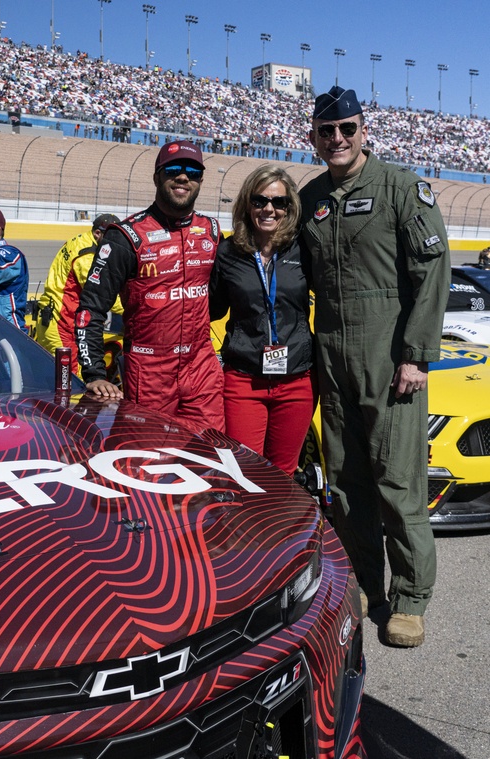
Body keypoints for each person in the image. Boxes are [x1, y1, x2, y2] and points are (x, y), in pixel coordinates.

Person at [299, 86, 451, 648]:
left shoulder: (400, 187)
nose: (337, 139)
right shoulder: (311, 196)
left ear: (363, 131)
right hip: (332, 355)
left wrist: (416, 354)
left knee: (397, 481)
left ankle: (410, 599)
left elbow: (431, 273)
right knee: (345, 484)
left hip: (389, 355)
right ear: (313, 137)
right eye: (326, 131)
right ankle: (367, 587)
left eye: (347, 129)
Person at [75, 140, 224, 432]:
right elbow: (90, 309)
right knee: (145, 463)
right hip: (149, 370)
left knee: (211, 462)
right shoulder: (125, 237)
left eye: (192, 171)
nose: (183, 177)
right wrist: (94, 373)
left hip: (201, 367)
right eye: (174, 169)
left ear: (200, 181)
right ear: (157, 176)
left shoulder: (212, 230)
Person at [209, 165, 314, 475]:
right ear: (247, 204)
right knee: (243, 471)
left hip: (297, 380)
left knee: (283, 473)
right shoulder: (228, 252)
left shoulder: (304, 249)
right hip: (244, 380)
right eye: (260, 200)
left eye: (279, 202)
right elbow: (210, 310)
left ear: (289, 207)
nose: (269, 209)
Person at [34, 213, 122, 374]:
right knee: (70, 380)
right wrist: (134, 307)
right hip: (61, 322)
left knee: (59, 376)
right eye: (113, 238)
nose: (116, 244)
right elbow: (100, 294)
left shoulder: (80, 241)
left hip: (53, 317)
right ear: (97, 233)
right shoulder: (87, 256)